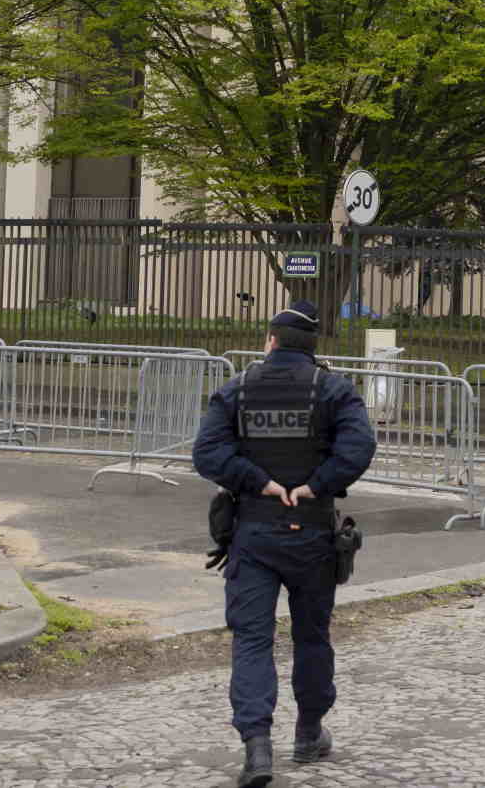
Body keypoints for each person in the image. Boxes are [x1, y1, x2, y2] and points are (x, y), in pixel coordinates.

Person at [193, 300, 377, 788]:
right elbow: (360, 448)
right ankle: (309, 732)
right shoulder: (333, 389)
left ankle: (257, 749)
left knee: (252, 640)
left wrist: (256, 481)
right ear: (312, 346)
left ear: (270, 341)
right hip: (313, 531)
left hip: (254, 531)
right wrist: (316, 484)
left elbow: (207, 452)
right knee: (311, 637)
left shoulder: (238, 388)